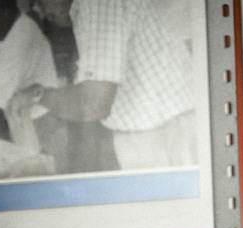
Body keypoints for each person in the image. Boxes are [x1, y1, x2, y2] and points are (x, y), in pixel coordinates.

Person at [18, 0, 196, 170]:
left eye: (39, 1)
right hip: (159, 131)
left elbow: (94, 103)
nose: (39, 10)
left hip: (167, 136)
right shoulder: (88, 10)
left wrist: (37, 95)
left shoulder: (98, 5)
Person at [0, 0, 59, 148]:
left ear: (4, 10)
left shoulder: (21, 35)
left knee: (37, 160)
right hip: (24, 115)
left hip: (42, 119)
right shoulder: (5, 32)